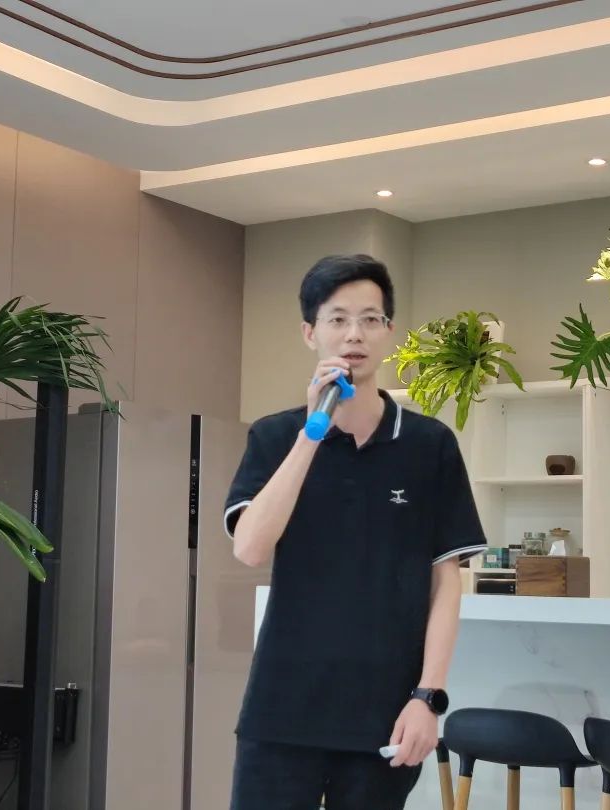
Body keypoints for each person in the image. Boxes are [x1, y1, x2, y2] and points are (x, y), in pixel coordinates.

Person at [224, 254, 487, 810]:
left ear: (388, 331)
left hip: (386, 715)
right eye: (338, 319)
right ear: (310, 332)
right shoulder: (274, 436)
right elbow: (249, 548)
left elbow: (446, 583)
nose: (354, 335)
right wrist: (312, 432)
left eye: (370, 319)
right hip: (282, 710)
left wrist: (428, 697)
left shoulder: (430, 445)